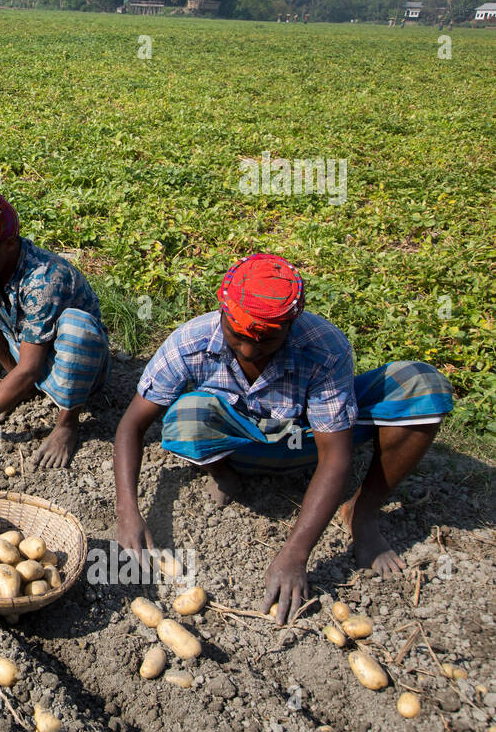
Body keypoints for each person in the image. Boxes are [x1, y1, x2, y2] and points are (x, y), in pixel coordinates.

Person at [112, 254, 454, 622]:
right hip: (238, 444)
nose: (248, 350)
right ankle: (226, 475)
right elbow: (132, 426)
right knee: (186, 415)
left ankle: (362, 513)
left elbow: (335, 458)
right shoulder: (190, 342)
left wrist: (295, 554)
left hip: (306, 442)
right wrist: (128, 512)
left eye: (266, 340)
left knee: (422, 385)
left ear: (291, 324)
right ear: (222, 313)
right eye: (238, 336)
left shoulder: (325, 347)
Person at [0, 187, 110, 469]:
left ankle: (67, 423)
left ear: (8, 245)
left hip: (79, 369)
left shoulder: (44, 279)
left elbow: (30, 367)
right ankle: (18, 386)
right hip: (32, 351)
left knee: (78, 327)